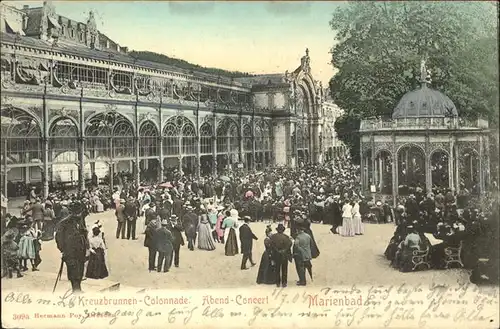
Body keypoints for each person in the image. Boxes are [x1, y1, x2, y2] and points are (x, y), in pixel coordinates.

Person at [55, 201, 89, 293]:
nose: (78, 215)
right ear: (72, 212)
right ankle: (75, 289)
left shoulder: (81, 220)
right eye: (76, 213)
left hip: (81, 250)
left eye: (79, 212)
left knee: (80, 270)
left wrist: (87, 247)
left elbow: (84, 234)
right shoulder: (64, 223)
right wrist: (63, 249)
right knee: (73, 270)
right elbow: (58, 237)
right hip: (70, 251)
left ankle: (78, 288)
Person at [270, 223, 292, 288]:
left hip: (276, 255)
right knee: (284, 269)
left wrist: (276, 250)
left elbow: (271, 245)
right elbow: (290, 244)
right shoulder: (286, 237)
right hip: (284, 255)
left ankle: (277, 282)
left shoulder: (273, 237)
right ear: (283, 230)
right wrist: (284, 250)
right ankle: (284, 283)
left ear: (277, 230)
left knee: (277, 269)